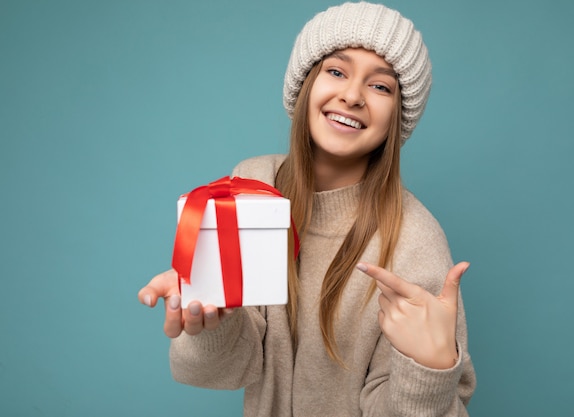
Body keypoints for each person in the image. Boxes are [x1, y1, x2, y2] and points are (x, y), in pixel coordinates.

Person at [138, 2, 476, 416]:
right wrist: (213, 319)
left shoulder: (415, 242)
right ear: (305, 84)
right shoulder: (252, 184)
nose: (351, 95)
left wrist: (429, 369)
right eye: (336, 71)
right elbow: (230, 368)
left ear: (398, 116)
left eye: (381, 86)